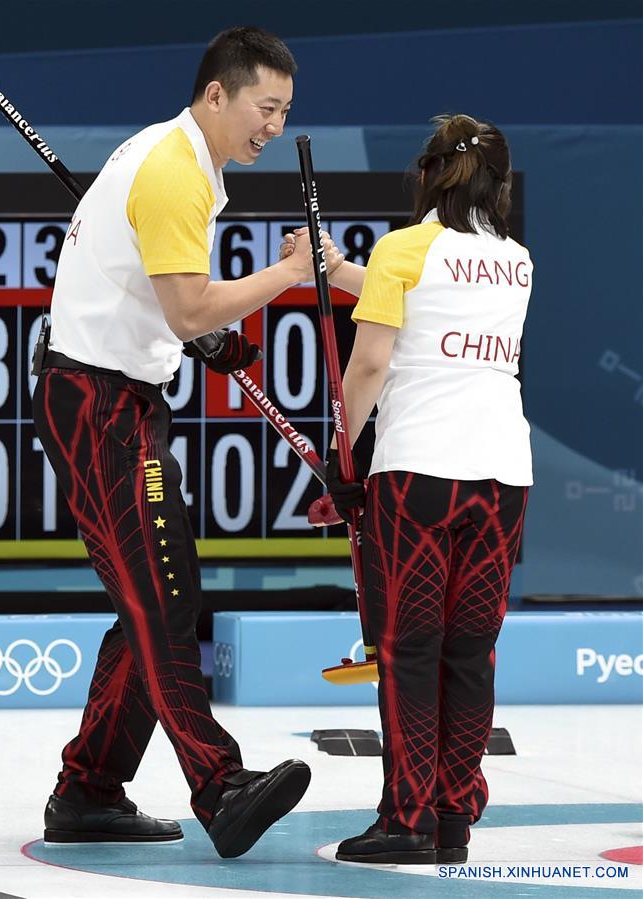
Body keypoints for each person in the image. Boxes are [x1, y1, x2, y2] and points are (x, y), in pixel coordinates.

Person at [32, 26, 327, 859]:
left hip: (122, 394)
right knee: (160, 598)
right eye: (264, 107)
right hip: (95, 405)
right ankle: (219, 784)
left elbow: (165, 303)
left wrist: (202, 338)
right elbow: (190, 308)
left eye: (284, 111)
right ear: (215, 96)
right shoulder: (171, 171)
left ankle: (88, 789)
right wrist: (285, 274)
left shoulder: (180, 156)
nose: (272, 124)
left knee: (162, 595)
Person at [299, 114, 533, 864]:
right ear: (497, 185)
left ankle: (404, 821)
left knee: (407, 651)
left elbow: (369, 363)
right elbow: (436, 301)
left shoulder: (403, 249)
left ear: (427, 176)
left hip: (418, 473)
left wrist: (343, 458)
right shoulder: (518, 261)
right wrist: (339, 272)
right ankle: (451, 818)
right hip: (502, 478)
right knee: (470, 652)